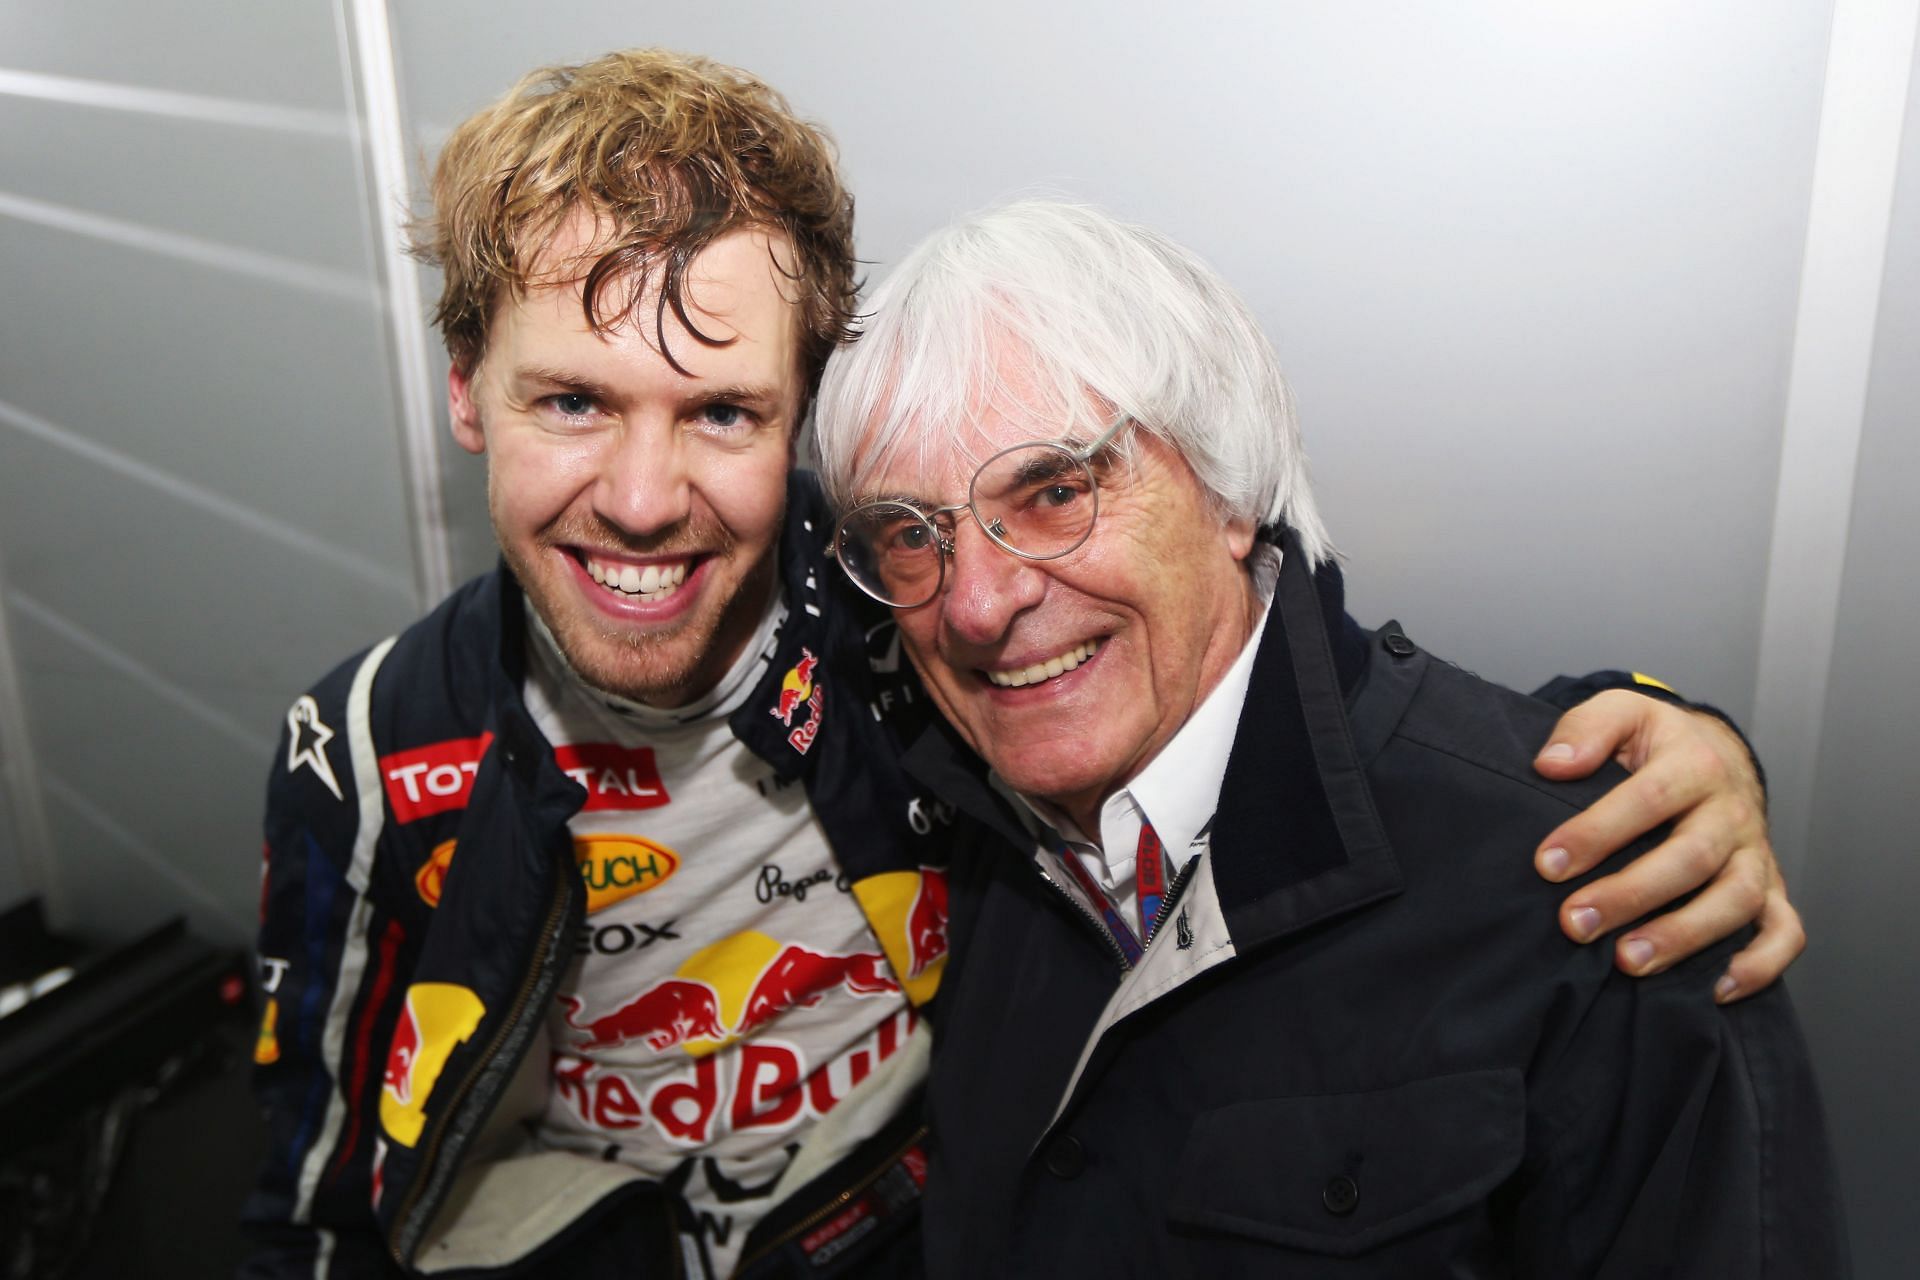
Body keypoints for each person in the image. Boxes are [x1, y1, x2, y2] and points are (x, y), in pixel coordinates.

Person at [243, 51, 1801, 1280]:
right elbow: (311, 1195)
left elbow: (1302, 705)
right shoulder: (374, 753)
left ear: (795, 428)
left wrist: (1667, 740)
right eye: (572, 402)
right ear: (465, 395)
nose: (645, 498)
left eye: (721, 412)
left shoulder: (882, 641)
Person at [811, 200, 1845, 1276]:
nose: (977, 604)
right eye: (910, 532)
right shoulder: (946, 815)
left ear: (1230, 492)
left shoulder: (1613, 891)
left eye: (1057, 490)